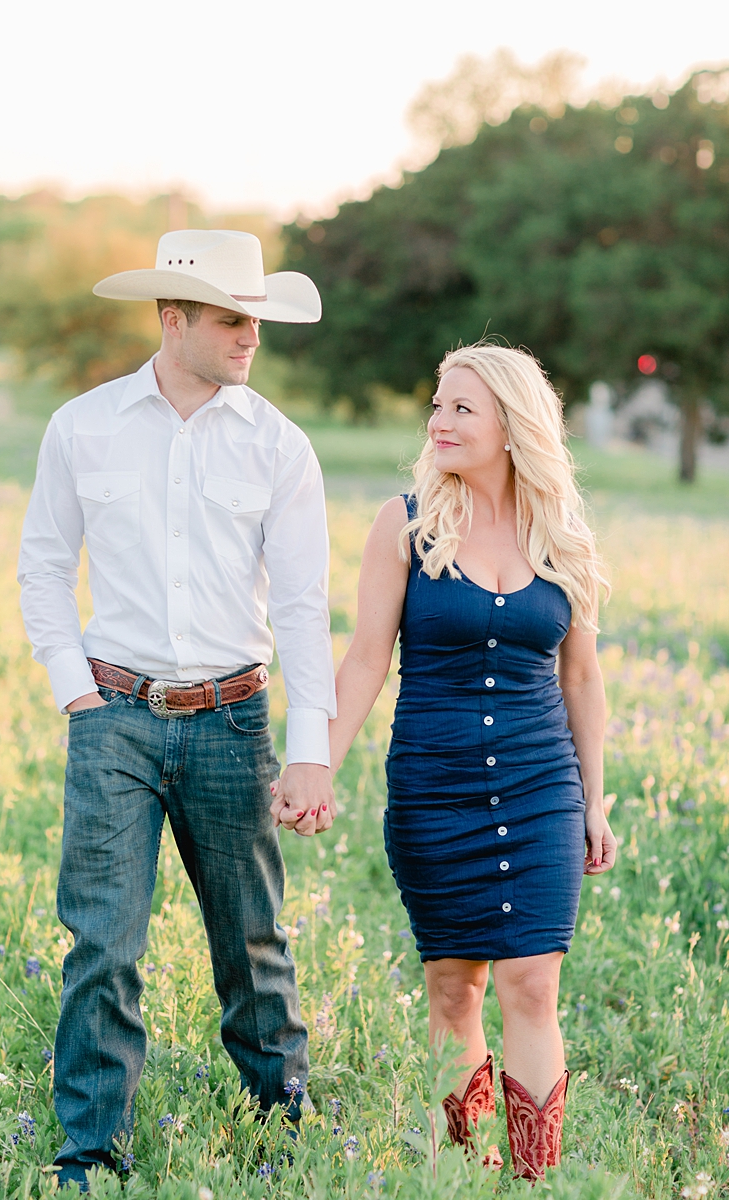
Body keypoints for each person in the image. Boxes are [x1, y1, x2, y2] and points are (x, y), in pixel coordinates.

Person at [18, 229, 337, 1191]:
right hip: (113, 713)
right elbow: (42, 568)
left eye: (257, 321)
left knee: (251, 943)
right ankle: (89, 1153)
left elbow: (301, 604)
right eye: (234, 320)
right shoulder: (83, 426)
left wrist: (312, 747)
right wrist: (77, 691)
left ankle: (282, 1134)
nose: (250, 338)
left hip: (233, 723)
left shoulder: (280, 444)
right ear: (174, 319)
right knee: (103, 945)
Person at [273, 342, 617, 1181]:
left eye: (461, 407)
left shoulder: (560, 533)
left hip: (542, 787)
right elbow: (362, 659)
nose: (439, 421)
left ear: (512, 423)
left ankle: (537, 1183)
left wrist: (595, 803)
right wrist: (314, 762)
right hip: (435, 792)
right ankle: (464, 1172)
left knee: (532, 983)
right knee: (454, 989)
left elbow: (582, 677)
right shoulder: (406, 523)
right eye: (437, 404)